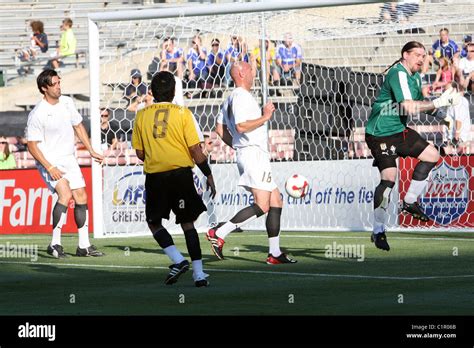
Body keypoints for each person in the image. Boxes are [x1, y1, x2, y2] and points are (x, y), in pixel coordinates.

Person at [365, 41, 460, 251]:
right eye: (417, 54)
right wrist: (438, 102)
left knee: (432, 155)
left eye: (423, 55)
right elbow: (407, 106)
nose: (421, 59)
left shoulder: (415, 76)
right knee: (389, 179)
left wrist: (442, 115)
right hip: (380, 133)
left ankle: (409, 202)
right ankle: (378, 230)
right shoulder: (397, 73)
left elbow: (419, 103)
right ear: (405, 55)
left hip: (399, 131)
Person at [206, 61, 297, 265]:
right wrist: (265, 117)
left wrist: (238, 146)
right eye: (250, 69)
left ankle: (274, 253)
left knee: (276, 200)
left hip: (250, 154)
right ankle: (219, 232)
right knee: (262, 204)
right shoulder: (240, 97)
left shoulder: (230, 98)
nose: (254, 71)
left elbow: (220, 130)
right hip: (253, 156)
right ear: (240, 73)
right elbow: (240, 126)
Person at [131, 71, 216, 287]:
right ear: (174, 91)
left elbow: (140, 154)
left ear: (151, 92)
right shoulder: (183, 113)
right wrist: (208, 173)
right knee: (188, 223)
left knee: (154, 222)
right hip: (181, 175)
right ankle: (199, 274)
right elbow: (196, 151)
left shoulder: (141, 115)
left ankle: (178, 260)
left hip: (156, 176)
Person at [26, 69, 105, 258]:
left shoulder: (67, 103)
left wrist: (91, 150)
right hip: (49, 160)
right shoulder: (38, 113)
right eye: (54, 84)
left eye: (59, 82)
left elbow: (78, 126)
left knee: (81, 196)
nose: (59, 86)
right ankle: (54, 244)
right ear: (44, 88)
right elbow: (32, 146)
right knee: (65, 193)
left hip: (69, 157)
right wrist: (49, 167)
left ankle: (84, 246)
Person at [443, 83, 471, 154]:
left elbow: (458, 119)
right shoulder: (454, 100)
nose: (444, 92)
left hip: (458, 137)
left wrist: (456, 136)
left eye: (446, 90)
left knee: (457, 160)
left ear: (454, 90)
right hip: (456, 135)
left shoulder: (457, 100)